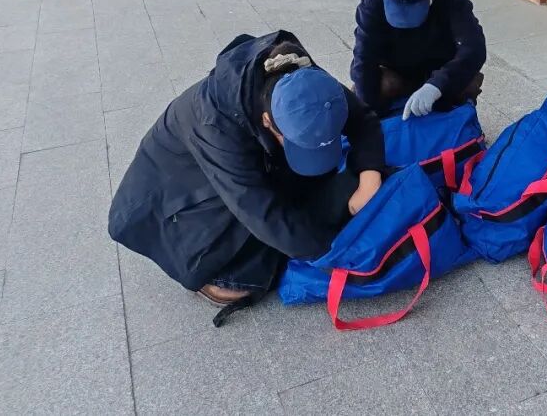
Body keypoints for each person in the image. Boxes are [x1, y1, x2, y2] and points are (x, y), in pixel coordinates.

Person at [108, 31, 385, 319]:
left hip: (239, 160)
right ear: (267, 121)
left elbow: (363, 119)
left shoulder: (307, 82)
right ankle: (211, 275)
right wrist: (335, 254)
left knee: (314, 197)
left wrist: (370, 178)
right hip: (175, 198)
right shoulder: (214, 125)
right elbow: (259, 210)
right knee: (255, 263)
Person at [352, 0, 487, 120]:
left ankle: (453, 120)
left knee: (468, 82)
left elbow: (474, 47)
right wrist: (366, 119)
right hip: (397, 71)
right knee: (371, 87)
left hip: (438, 67)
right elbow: (363, 58)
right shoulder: (372, 1)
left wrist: (437, 85)